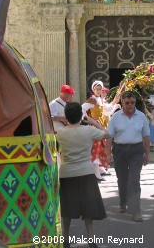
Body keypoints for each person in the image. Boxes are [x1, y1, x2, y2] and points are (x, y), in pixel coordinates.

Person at [57, 102, 110, 248]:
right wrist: (93, 122)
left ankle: (66, 239)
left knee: (66, 209)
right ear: (81, 115)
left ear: (66, 116)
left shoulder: (60, 133)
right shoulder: (88, 131)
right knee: (88, 208)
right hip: (86, 171)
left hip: (66, 172)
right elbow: (107, 134)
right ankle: (91, 240)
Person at [106, 91, 150, 222]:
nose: (130, 105)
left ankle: (136, 210)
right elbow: (109, 136)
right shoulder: (115, 117)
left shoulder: (141, 116)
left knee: (134, 179)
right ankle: (123, 201)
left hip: (136, 150)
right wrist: (108, 154)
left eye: (132, 102)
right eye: (127, 103)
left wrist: (147, 153)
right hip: (120, 150)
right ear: (122, 103)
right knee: (122, 178)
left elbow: (146, 136)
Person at [82, 81, 112, 180]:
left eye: (100, 89)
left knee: (101, 146)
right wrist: (87, 119)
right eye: (97, 89)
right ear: (93, 89)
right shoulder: (92, 100)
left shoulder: (100, 99)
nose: (99, 91)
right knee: (96, 147)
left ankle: (100, 169)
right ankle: (95, 173)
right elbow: (82, 109)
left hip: (100, 124)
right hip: (95, 125)